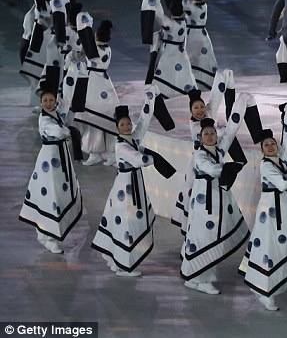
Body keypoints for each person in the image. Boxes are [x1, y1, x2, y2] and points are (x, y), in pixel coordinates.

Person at [91, 96, 175, 276]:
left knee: (123, 222)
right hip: (126, 188)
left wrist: (150, 100)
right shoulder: (121, 146)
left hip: (132, 183)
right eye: (123, 125)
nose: (127, 126)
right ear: (117, 128)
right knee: (127, 223)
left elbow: (143, 124)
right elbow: (139, 159)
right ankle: (123, 264)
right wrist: (154, 158)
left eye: (128, 123)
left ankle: (116, 258)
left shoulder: (132, 138)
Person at [180, 96, 253, 295]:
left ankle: (199, 275)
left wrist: (241, 103)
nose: (211, 136)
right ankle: (201, 277)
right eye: (207, 134)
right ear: (201, 137)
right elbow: (211, 170)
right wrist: (230, 167)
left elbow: (231, 130)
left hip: (217, 200)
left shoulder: (218, 149)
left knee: (212, 234)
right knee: (205, 235)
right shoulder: (200, 155)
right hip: (205, 201)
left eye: (213, 133)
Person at [240, 128, 287, 311]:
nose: (270, 147)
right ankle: (264, 290)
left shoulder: (279, 161)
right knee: (269, 249)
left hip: (283, 209)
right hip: (271, 212)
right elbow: (283, 183)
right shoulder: (266, 165)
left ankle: (272, 284)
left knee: (283, 245)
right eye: (266, 145)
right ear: (262, 150)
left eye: (273, 144)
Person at [19, 87, 83, 254]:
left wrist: (73, 110)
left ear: (56, 101)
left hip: (61, 160)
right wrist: (70, 132)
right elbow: (59, 131)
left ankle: (49, 234)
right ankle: (48, 236)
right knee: (51, 198)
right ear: (41, 102)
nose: (48, 103)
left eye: (51, 100)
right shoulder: (44, 119)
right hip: (49, 162)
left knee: (59, 197)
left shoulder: (57, 115)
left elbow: (65, 121)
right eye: (45, 100)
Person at [73, 15, 121, 166]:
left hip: (94, 85)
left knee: (93, 120)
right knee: (107, 122)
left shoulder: (93, 50)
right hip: (105, 84)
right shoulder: (108, 49)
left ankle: (95, 153)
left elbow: (81, 32)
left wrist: (86, 22)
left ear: (96, 35)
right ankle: (111, 154)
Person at [140, 0, 198, 99]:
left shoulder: (170, 24)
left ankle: (163, 93)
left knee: (166, 73)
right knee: (182, 75)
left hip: (169, 54)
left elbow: (159, 15)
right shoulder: (183, 23)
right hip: (181, 54)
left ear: (170, 11)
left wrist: (155, 1)